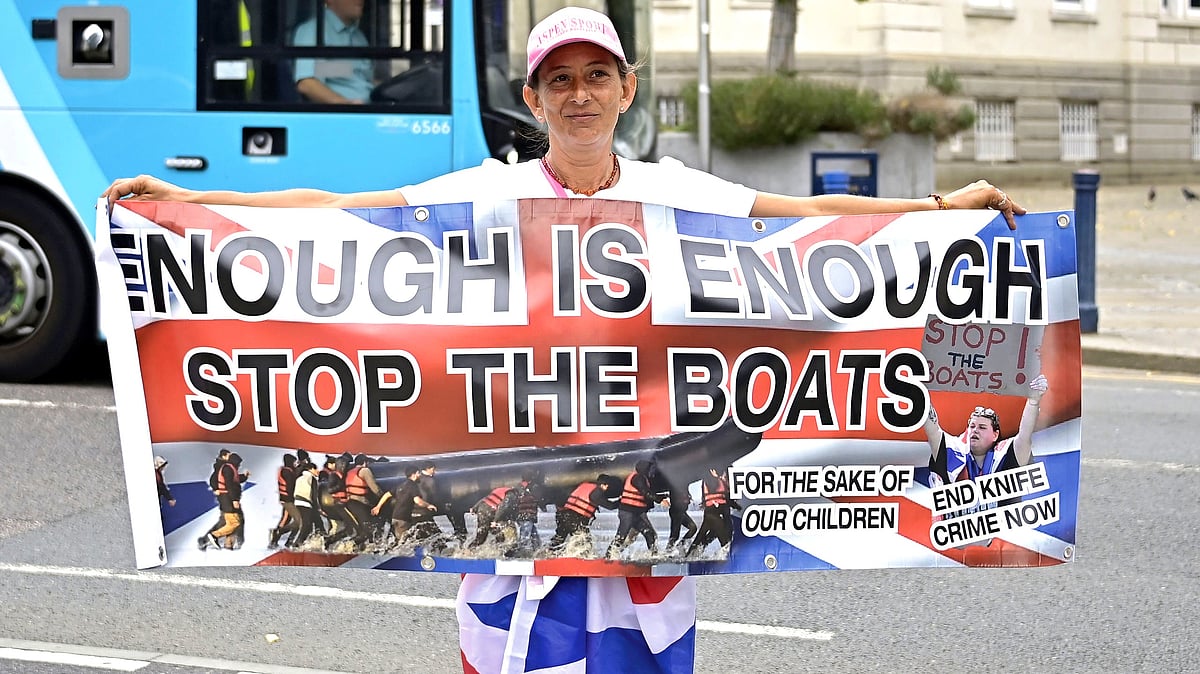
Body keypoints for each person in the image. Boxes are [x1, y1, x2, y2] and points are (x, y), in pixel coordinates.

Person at [104, 5, 1025, 669]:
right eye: (559, 80)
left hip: (643, 523)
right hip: (518, 524)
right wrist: (194, 205)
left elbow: (817, 218)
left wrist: (942, 210)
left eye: (595, 76)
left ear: (626, 87)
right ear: (535, 97)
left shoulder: (685, 195)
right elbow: (341, 214)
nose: (578, 95)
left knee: (643, 654)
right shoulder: (486, 193)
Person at [924, 374, 1050, 505]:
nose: (975, 430)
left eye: (982, 427)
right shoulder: (953, 451)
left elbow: (1025, 435)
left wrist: (1033, 402)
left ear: (995, 435)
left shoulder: (1005, 455)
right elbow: (933, 431)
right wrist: (920, 393)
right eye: (972, 426)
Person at [291, 0, 373, 104]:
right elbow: (306, 83)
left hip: (369, 112)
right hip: (340, 115)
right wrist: (348, 107)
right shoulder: (313, 31)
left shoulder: (359, 37)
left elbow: (364, 79)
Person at [546, 474, 619, 556]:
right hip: (575, 517)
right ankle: (583, 559)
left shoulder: (585, 485)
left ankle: (548, 553)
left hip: (563, 515)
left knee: (560, 537)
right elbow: (603, 502)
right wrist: (619, 503)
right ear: (604, 485)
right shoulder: (598, 491)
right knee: (585, 541)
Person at [605, 460, 661, 559]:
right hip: (627, 512)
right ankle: (608, 557)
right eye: (650, 469)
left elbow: (647, 493)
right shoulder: (637, 478)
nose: (651, 471)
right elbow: (645, 492)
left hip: (635, 513)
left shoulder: (641, 478)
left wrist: (661, 496)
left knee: (649, 533)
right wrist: (659, 499)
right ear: (644, 469)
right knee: (621, 536)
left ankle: (654, 556)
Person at [685, 467, 739, 559]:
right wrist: (718, 477)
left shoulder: (725, 479)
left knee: (701, 537)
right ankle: (728, 558)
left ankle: (689, 556)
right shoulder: (710, 479)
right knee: (725, 541)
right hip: (713, 514)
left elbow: (726, 497)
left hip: (717, 513)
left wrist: (736, 506)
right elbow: (715, 489)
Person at [269, 454, 301, 548]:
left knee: (289, 520)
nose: (295, 464)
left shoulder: (288, 471)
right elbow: (292, 485)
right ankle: (277, 535)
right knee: (295, 521)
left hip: (289, 500)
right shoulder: (286, 472)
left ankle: (287, 541)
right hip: (288, 500)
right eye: (294, 462)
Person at [290, 461, 322, 549]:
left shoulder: (299, 478)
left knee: (306, 524)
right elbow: (314, 494)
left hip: (297, 502)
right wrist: (318, 508)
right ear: (311, 469)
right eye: (316, 469)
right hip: (306, 503)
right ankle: (297, 544)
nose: (317, 471)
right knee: (307, 525)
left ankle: (300, 543)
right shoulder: (312, 478)